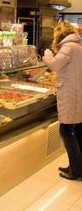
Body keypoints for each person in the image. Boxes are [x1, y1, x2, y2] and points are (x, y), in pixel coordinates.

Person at [42, 21, 82, 181]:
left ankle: (76, 171)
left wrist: (47, 55)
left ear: (60, 34)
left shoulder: (68, 47)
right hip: (77, 92)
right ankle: (76, 166)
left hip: (70, 93)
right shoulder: (78, 45)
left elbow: (54, 65)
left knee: (65, 132)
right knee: (78, 132)